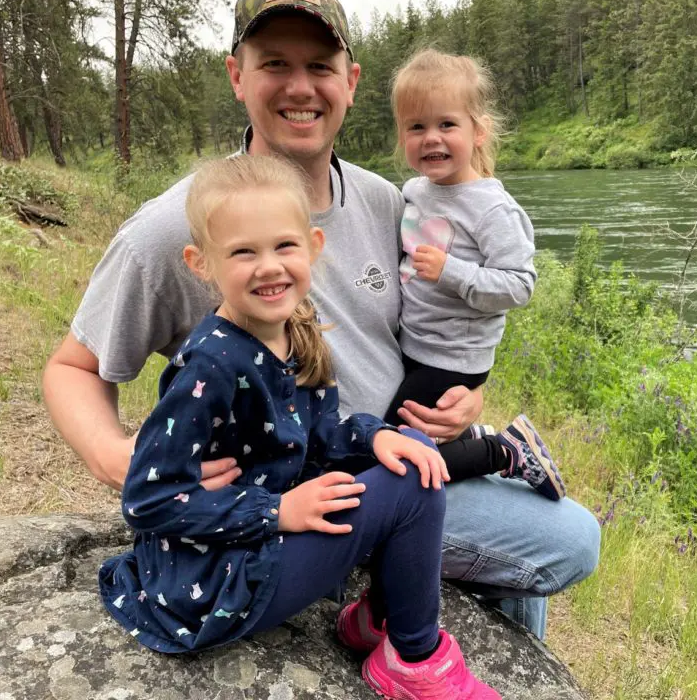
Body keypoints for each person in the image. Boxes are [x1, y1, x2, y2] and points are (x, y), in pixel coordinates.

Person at [42, 0, 600, 642]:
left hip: (400, 445)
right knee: (571, 539)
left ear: (352, 82)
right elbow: (73, 368)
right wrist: (117, 455)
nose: (300, 87)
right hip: (312, 489)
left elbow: (432, 322)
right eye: (275, 63)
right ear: (237, 76)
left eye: (320, 66)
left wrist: (464, 395)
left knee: (532, 512)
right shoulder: (179, 228)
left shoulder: (387, 202)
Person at [101, 154, 499, 698]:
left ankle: (375, 621)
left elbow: (319, 433)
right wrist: (278, 511)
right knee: (413, 483)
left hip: (258, 544)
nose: (269, 267)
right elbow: (146, 500)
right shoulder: (211, 365)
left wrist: (373, 435)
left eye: (284, 246)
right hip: (217, 580)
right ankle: (414, 662)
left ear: (313, 245)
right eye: (243, 252)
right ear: (202, 263)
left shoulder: (295, 326)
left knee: (409, 448)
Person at [382, 48, 566, 502]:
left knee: (393, 456)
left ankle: (503, 453)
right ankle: (468, 441)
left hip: (453, 357)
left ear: (478, 131)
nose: (431, 138)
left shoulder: (492, 209)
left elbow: (519, 286)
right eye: (416, 127)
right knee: (406, 441)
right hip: (416, 345)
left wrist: (452, 272)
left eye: (447, 124)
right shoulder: (414, 192)